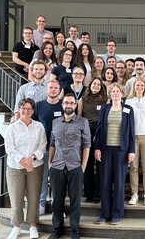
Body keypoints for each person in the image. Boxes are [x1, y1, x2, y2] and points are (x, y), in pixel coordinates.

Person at [48, 94, 91, 239]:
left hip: (75, 166)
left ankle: (74, 230)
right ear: (62, 104)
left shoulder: (82, 122)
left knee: (75, 201)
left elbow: (87, 145)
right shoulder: (55, 122)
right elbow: (52, 143)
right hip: (58, 166)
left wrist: (83, 165)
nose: (69, 105)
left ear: (75, 106)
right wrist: (50, 162)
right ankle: (56, 229)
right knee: (57, 201)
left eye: (72, 103)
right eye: (66, 102)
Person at [5, 98, 46, 239]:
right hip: (15, 167)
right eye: (23, 108)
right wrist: (23, 161)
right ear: (19, 110)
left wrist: (32, 159)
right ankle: (16, 227)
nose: (26, 111)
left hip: (35, 166)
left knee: (34, 197)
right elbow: (9, 148)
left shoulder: (39, 127)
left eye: (29, 109)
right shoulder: (12, 128)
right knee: (16, 198)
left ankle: (32, 226)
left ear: (32, 111)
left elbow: (42, 145)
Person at [95, 83, 135, 225]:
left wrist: (131, 150)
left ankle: (117, 214)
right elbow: (99, 129)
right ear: (110, 94)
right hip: (105, 149)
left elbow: (131, 131)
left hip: (121, 150)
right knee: (105, 182)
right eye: (113, 91)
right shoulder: (105, 108)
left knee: (118, 183)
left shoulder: (128, 109)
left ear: (122, 94)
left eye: (118, 91)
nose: (115, 93)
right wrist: (97, 148)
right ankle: (104, 214)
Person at [31, 80, 63, 215]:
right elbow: (32, 126)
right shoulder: (38, 106)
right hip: (42, 148)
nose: (53, 90)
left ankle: (58, 207)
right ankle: (41, 204)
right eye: (51, 87)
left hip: (59, 149)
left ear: (59, 91)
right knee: (42, 178)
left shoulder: (63, 106)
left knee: (58, 179)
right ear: (46, 90)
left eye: (56, 88)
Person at [78, 77, 108, 204]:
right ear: (90, 85)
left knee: (101, 164)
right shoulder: (82, 100)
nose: (96, 86)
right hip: (86, 131)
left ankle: (98, 194)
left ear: (101, 87)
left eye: (98, 84)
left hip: (100, 131)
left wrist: (99, 134)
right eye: (94, 84)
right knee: (87, 164)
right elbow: (79, 118)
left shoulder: (105, 100)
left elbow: (106, 119)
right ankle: (89, 193)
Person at [125, 79, 145, 205]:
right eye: (137, 85)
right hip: (133, 137)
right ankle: (135, 193)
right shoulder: (128, 101)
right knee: (134, 167)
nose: (140, 87)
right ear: (134, 87)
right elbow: (126, 121)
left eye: (142, 85)